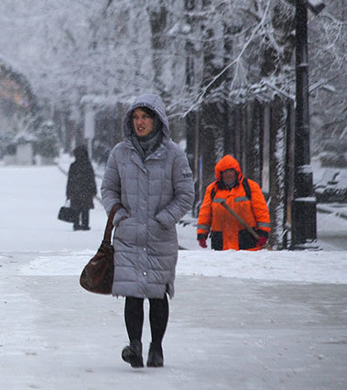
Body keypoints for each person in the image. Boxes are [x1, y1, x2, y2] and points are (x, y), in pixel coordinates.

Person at [100, 93, 194, 368]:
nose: (140, 122)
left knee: (157, 293)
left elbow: (186, 194)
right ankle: (135, 346)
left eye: (145, 117)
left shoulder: (174, 154)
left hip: (160, 237)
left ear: (157, 120)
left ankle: (156, 347)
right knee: (132, 293)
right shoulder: (120, 153)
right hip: (128, 235)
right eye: (136, 117)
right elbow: (108, 189)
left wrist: (165, 218)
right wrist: (118, 214)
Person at [197, 154, 270, 251]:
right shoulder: (212, 190)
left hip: (246, 241)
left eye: (231, 171)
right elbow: (205, 213)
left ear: (236, 172)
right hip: (221, 243)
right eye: (225, 172)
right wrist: (202, 234)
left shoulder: (250, 187)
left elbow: (261, 211)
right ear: (220, 174)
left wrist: (263, 233)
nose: (228, 174)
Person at [65, 144, 97, 231]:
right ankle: (85, 224)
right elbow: (91, 179)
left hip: (75, 191)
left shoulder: (73, 166)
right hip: (86, 191)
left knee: (76, 208)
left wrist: (68, 193)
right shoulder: (88, 165)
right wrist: (93, 190)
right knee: (85, 209)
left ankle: (76, 224)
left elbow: (70, 180)